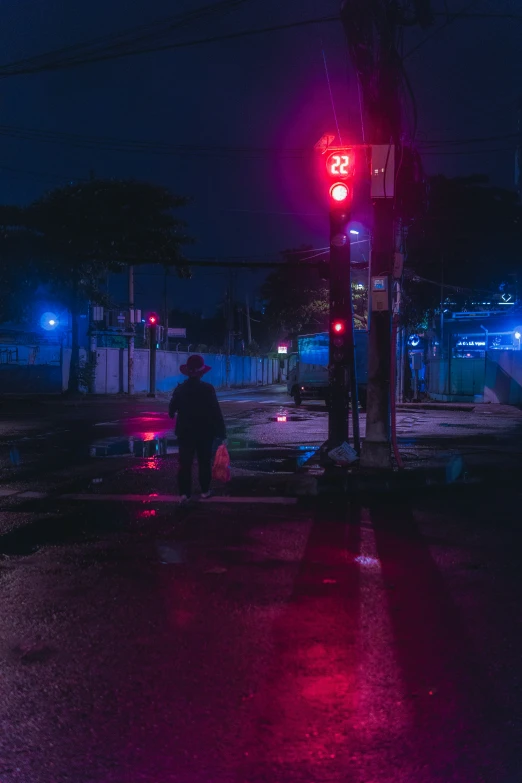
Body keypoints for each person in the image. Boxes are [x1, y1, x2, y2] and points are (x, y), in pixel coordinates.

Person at [168, 354, 226, 503]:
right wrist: (221, 433)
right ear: (201, 373)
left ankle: (184, 494)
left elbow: (171, 411)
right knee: (204, 462)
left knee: (185, 463)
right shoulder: (208, 389)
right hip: (205, 432)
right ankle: (205, 491)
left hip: (185, 432)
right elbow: (216, 412)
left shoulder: (180, 389)